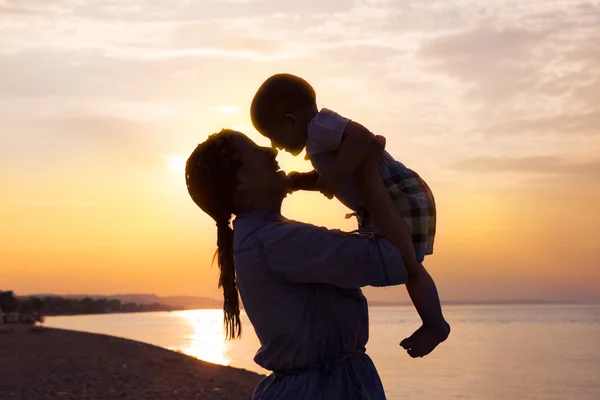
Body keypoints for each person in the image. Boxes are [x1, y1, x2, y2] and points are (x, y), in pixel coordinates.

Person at [185, 129, 419, 399]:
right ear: (240, 182)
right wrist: (367, 178)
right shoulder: (278, 242)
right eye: (254, 150)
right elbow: (397, 260)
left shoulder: (262, 239)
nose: (271, 151)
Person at [250, 73, 450, 357]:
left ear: (291, 121)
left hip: (397, 195)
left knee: (409, 266)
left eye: (273, 136)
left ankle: (435, 324)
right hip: (385, 200)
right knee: (408, 267)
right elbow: (331, 176)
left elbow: (362, 137)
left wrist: (335, 176)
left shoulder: (321, 127)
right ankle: (434, 323)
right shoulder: (318, 141)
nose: (274, 147)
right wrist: (302, 182)